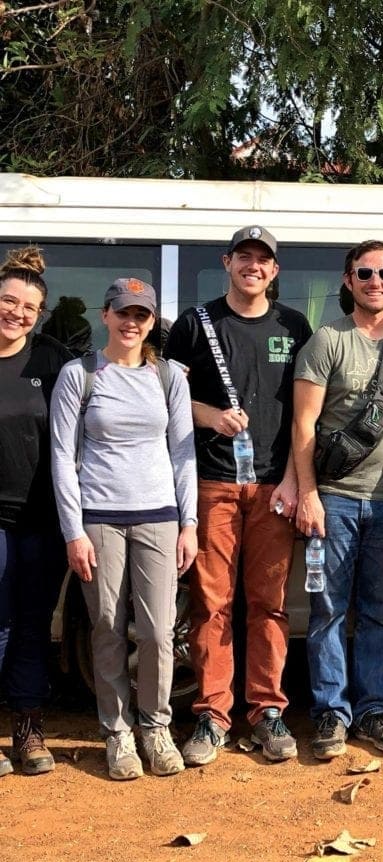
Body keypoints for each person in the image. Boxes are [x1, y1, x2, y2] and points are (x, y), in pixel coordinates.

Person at [164, 226, 312, 765]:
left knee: (268, 604)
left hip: (274, 484)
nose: (253, 266)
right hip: (213, 483)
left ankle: (268, 711)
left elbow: (305, 414)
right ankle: (210, 715)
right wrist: (211, 417)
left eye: (264, 260)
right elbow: (170, 396)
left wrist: (298, 480)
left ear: (274, 271)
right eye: (244, 257)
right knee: (211, 603)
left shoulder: (294, 325)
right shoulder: (195, 324)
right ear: (227, 263)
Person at [50, 278, 197, 780]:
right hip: (100, 519)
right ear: (106, 315)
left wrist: (189, 522)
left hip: (159, 516)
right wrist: (74, 530)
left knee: (158, 632)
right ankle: (117, 732)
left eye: (142, 314)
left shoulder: (169, 377)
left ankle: (156, 726)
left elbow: (183, 453)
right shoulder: (81, 375)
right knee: (108, 628)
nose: (131, 322)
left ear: (152, 321)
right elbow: (63, 459)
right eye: (123, 312)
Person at [292, 240, 383, 759]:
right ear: (348, 280)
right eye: (365, 273)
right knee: (326, 610)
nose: (376, 282)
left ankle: (371, 710)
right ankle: (330, 713)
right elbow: (303, 426)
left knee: (376, 613)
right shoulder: (327, 340)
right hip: (335, 501)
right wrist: (308, 494)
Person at [0, 247, 72, 777]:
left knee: (32, 625)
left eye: (29, 307)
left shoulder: (52, 360)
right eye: (8, 300)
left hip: (41, 519)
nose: (16, 313)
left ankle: (27, 727)